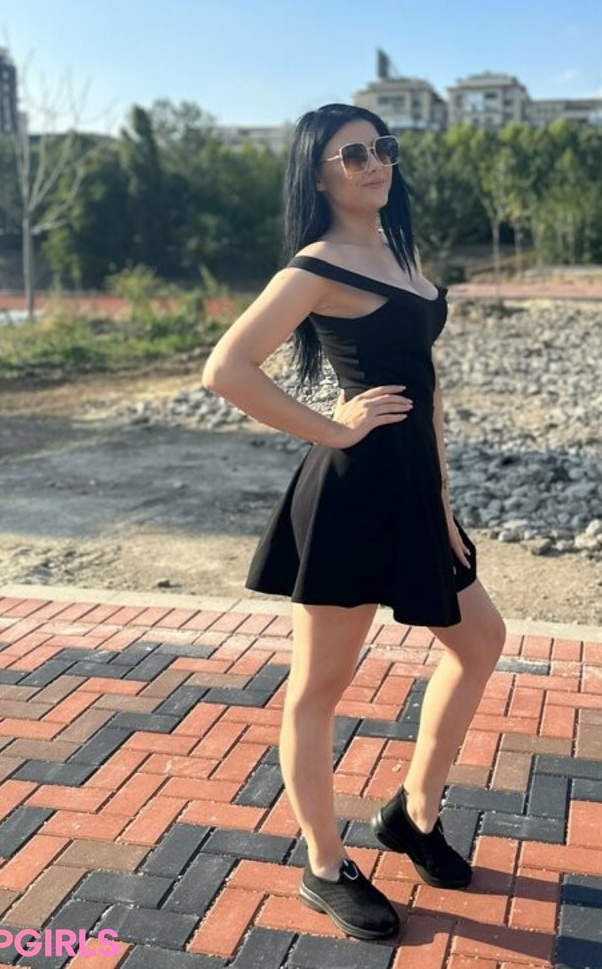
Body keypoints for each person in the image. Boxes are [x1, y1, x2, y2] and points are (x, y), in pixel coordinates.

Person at [202, 103, 506, 942]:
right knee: (318, 689)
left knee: (481, 639)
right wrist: (332, 428)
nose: (374, 162)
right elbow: (227, 367)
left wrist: (443, 502)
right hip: (348, 496)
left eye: (383, 147)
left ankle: (414, 813)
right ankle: (325, 865)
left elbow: (427, 389)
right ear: (318, 173)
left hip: (411, 492)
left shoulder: (401, 255)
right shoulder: (316, 265)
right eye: (352, 154)